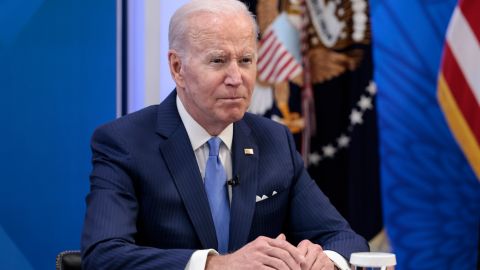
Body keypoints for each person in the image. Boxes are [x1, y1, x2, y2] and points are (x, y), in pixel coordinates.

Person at [81, 0, 369, 269]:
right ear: (177, 68)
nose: (236, 78)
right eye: (218, 61)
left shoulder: (275, 140)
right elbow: (103, 254)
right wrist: (217, 265)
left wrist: (324, 260)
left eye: (246, 60)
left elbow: (346, 240)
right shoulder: (124, 142)